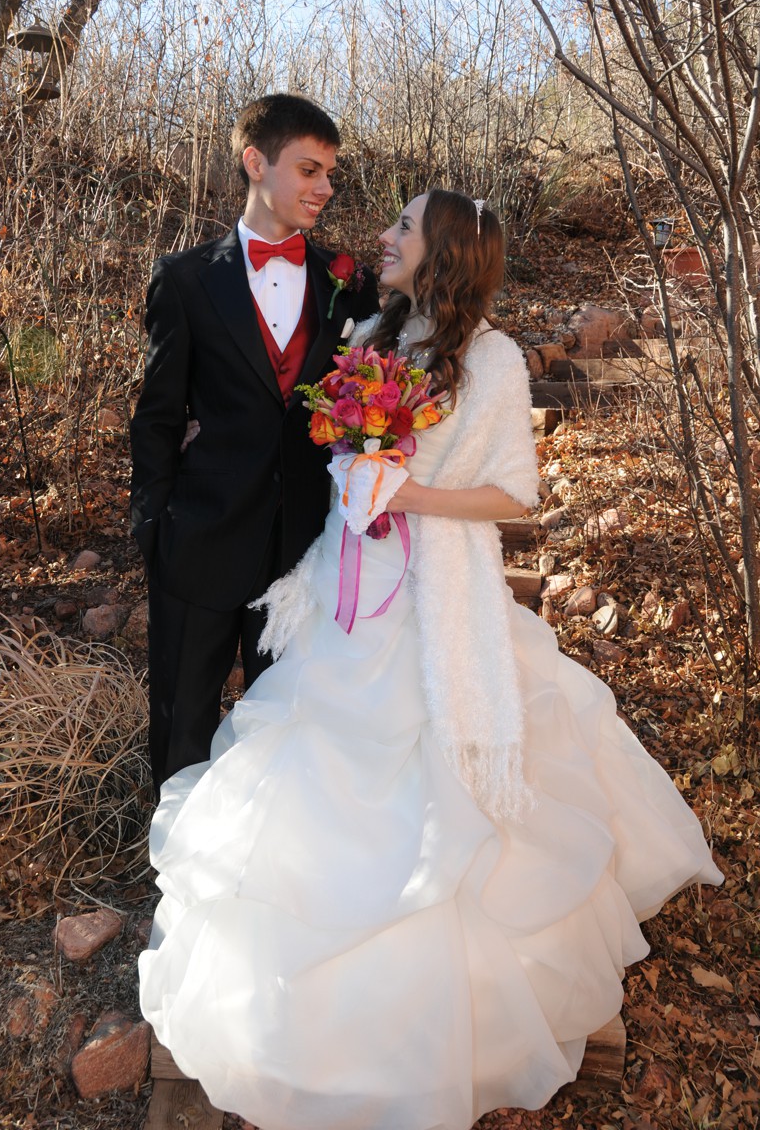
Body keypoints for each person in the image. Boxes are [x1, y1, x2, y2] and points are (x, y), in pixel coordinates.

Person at [139, 190, 722, 1129]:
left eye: (403, 227)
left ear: (443, 251)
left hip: (435, 594)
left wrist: (406, 493)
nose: (385, 235)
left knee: (441, 770)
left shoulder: (489, 360)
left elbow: (515, 495)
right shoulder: (374, 328)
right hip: (349, 586)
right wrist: (352, 472)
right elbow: (342, 450)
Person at [129, 93, 379, 792]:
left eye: (330, 172)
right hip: (199, 538)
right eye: (308, 169)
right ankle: (177, 879)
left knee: (291, 727)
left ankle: (269, 882)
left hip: (304, 551)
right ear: (255, 163)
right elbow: (155, 415)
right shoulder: (184, 280)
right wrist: (154, 523)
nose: (325, 187)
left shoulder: (349, 282)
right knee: (182, 722)